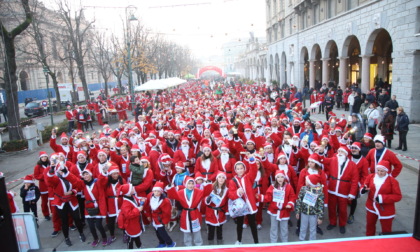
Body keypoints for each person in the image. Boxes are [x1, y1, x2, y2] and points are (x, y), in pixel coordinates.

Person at [45, 157, 86, 246]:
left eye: (62, 170)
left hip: (72, 200)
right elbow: (49, 181)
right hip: (61, 202)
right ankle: (66, 237)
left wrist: (72, 192)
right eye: (59, 170)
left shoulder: (70, 176)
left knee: (77, 218)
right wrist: (51, 170)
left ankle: (81, 233)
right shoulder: (56, 179)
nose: (60, 172)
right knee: (64, 220)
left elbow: (78, 185)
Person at [360, 160, 402, 236]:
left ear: (386, 171)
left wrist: (382, 198)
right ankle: (369, 241)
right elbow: (364, 185)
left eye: (382, 171)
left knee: (386, 230)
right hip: (371, 206)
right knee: (370, 226)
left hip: (386, 209)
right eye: (378, 170)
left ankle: (386, 244)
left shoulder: (392, 181)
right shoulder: (371, 177)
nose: (379, 173)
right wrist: (363, 190)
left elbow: (398, 196)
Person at [323, 146, 358, 234]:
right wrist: (320, 152)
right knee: (331, 207)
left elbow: (355, 180)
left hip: (344, 190)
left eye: (342, 152)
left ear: (346, 154)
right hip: (332, 188)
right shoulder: (333, 160)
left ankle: (342, 224)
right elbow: (322, 160)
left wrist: (352, 193)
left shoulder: (352, 165)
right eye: (338, 151)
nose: (339, 153)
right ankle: (332, 222)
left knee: (343, 209)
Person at [228, 155, 260, 245]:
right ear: (235, 170)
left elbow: (254, 170)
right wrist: (238, 192)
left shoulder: (248, 177)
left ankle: (256, 242)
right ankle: (239, 240)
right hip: (240, 206)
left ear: (244, 169)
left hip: (249, 205)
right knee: (239, 224)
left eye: (241, 168)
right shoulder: (232, 181)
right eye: (238, 169)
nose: (240, 170)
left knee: (252, 224)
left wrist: (252, 159)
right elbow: (230, 194)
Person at [166, 177, 205, 246]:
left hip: (194, 213)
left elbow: (206, 192)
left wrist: (208, 184)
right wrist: (170, 188)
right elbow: (172, 195)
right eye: (189, 183)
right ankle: (188, 246)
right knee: (186, 232)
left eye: (192, 183)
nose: (191, 185)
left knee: (197, 231)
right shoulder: (181, 192)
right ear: (186, 184)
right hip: (185, 214)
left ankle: (199, 245)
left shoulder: (198, 191)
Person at [263, 170, 296, 243]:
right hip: (274, 211)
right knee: (273, 227)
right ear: (276, 178)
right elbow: (268, 196)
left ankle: (284, 241)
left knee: (284, 228)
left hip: (284, 211)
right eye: (278, 177)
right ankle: (273, 241)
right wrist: (260, 197)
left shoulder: (288, 187)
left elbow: (292, 197)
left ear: (284, 178)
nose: (280, 179)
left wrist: (290, 204)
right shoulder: (272, 187)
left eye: (282, 177)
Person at [80, 168, 110, 247]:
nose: (85, 176)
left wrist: (103, 172)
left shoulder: (97, 182)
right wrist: (65, 172)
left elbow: (102, 179)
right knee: (91, 226)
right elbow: (73, 180)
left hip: (98, 206)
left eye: (87, 174)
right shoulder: (83, 184)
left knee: (98, 225)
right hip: (88, 207)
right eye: (84, 175)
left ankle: (104, 237)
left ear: (90, 174)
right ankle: (95, 238)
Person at [143, 181, 176, 248]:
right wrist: (148, 215)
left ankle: (170, 243)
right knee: (157, 232)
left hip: (160, 219)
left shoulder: (165, 201)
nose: (156, 193)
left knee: (162, 232)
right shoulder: (150, 196)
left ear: (161, 192)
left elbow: (167, 212)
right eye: (155, 191)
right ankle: (162, 243)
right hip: (154, 218)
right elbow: (146, 206)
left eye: (158, 191)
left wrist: (165, 221)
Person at [295, 174, 324, 241]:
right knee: (303, 228)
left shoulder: (319, 192)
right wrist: (297, 211)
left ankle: (312, 242)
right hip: (304, 212)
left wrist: (320, 217)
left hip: (313, 214)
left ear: (310, 182)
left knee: (313, 229)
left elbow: (320, 205)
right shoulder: (303, 189)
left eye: (306, 180)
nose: (305, 181)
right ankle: (301, 240)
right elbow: (299, 200)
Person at [203, 171, 229, 245]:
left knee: (220, 231)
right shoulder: (211, 187)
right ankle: (210, 247)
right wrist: (207, 199)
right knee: (211, 231)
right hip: (211, 212)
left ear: (225, 180)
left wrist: (227, 212)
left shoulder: (226, 190)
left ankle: (220, 246)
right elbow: (204, 197)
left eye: (223, 177)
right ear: (217, 178)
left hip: (220, 213)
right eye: (220, 177)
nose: (221, 179)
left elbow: (227, 202)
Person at [347, 142, 369, 224]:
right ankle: (340, 212)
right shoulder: (348, 157)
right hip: (345, 182)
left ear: (359, 150)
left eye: (355, 148)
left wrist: (360, 184)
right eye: (352, 148)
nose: (353, 150)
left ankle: (351, 214)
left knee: (353, 199)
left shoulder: (364, 161)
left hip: (356, 183)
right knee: (342, 198)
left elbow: (365, 175)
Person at [117, 183, 144, 249]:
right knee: (131, 239)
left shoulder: (132, 197)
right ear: (128, 191)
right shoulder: (126, 204)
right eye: (131, 188)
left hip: (134, 223)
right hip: (130, 224)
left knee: (137, 236)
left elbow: (137, 201)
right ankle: (130, 249)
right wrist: (138, 209)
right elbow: (128, 215)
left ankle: (139, 246)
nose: (133, 188)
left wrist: (141, 201)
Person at [33, 151, 51, 221]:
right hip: (43, 186)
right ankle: (46, 214)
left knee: (51, 200)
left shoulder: (49, 164)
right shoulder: (37, 167)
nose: (44, 158)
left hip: (50, 185)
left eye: (45, 157)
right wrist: (45, 175)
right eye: (42, 157)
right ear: (40, 158)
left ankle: (53, 212)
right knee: (44, 201)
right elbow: (36, 176)